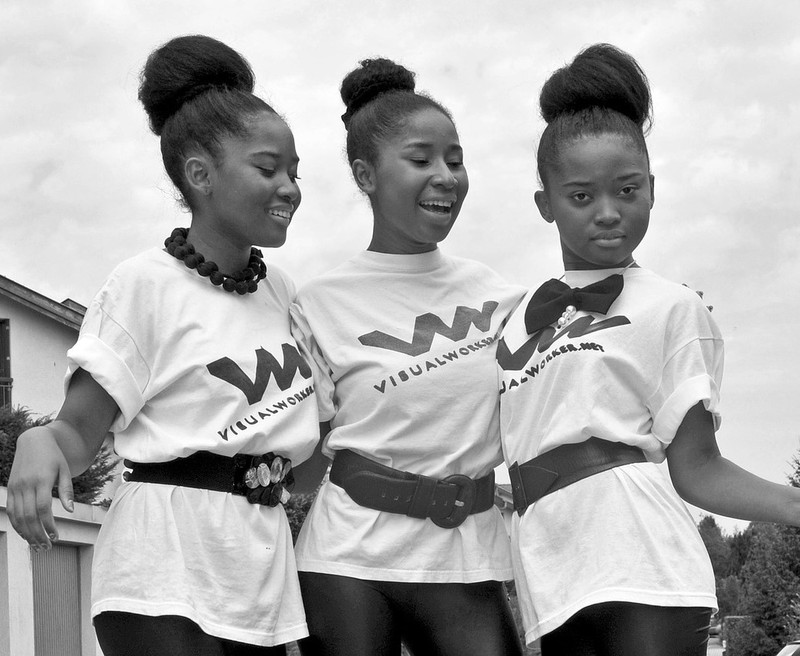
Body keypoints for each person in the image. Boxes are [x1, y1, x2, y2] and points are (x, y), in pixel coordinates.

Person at [7, 35, 321, 656]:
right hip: (159, 573)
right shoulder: (143, 284)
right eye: (267, 168)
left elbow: (306, 458)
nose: (289, 187)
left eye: (294, 172)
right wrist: (37, 440)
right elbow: (77, 433)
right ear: (200, 175)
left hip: (258, 576)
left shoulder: (284, 294)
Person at [497, 43, 800, 656]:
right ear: (544, 204)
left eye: (627, 191)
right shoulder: (510, 319)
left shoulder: (672, 307)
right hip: (550, 578)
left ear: (653, 191)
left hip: (646, 572)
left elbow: (698, 468)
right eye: (581, 196)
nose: (609, 214)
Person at [290, 58, 525, 656]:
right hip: (345, 556)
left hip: (467, 557)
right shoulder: (314, 303)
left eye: (455, 158)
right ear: (366, 175)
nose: (446, 175)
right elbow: (301, 446)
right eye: (421, 160)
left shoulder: (500, 297)